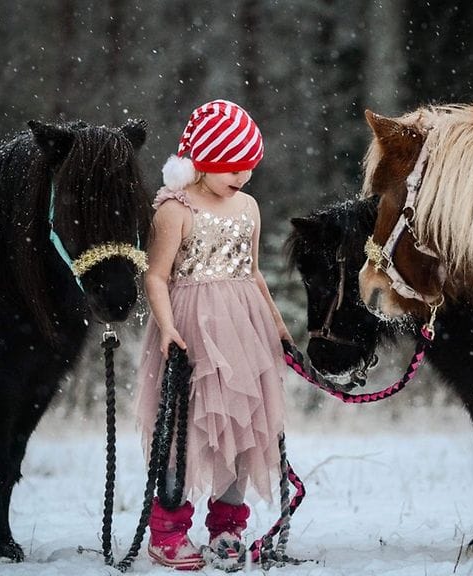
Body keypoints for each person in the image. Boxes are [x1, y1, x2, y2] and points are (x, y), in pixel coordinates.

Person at [135, 99, 291, 570]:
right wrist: (166, 327)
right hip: (192, 328)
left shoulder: (249, 207)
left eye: (249, 168)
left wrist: (278, 325)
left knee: (244, 428)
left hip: (244, 329)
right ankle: (168, 531)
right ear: (202, 161)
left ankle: (227, 527)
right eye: (232, 168)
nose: (243, 178)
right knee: (185, 430)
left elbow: (254, 272)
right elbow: (156, 276)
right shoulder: (174, 209)